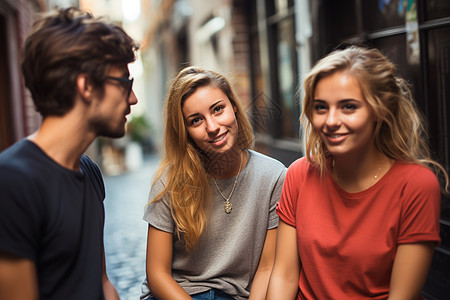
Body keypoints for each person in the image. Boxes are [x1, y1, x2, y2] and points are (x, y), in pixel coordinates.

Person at [266, 45, 449, 299]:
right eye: (321, 107)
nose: (330, 121)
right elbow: (284, 275)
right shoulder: (299, 173)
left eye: (348, 106)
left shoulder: (416, 185)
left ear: (380, 110)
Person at [0, 7, 139, 300]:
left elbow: (102, 284)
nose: (133, 98)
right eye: (125, 82)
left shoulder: (88, 171)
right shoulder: (12, 183)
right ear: (86, 85)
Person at [140, 66, 286, 300]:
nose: (212, 127)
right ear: (185, 131)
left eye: (218, 110)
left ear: (235, 108)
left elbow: (268, 267)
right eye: (196, 120)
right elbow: (157, 274)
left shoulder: (273, 176)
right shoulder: (170, 181)